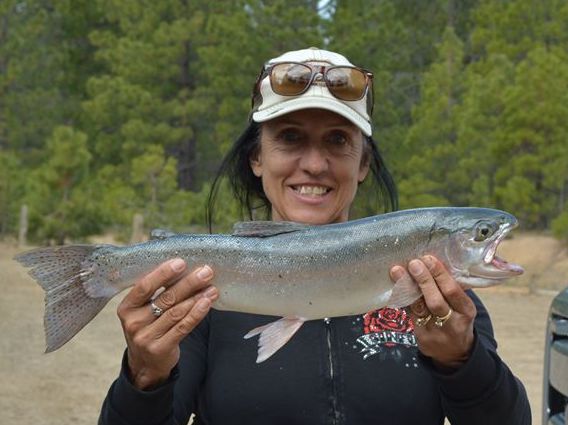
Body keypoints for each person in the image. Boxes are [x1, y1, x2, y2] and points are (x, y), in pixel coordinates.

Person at [99, 47, 531, 425]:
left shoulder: (443, 300)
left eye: (338, 140)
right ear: (256, 158)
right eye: (290, 139)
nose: (315, 164)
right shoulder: (195, 296)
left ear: (363, 164)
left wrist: (461, 360)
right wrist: (144, 376)